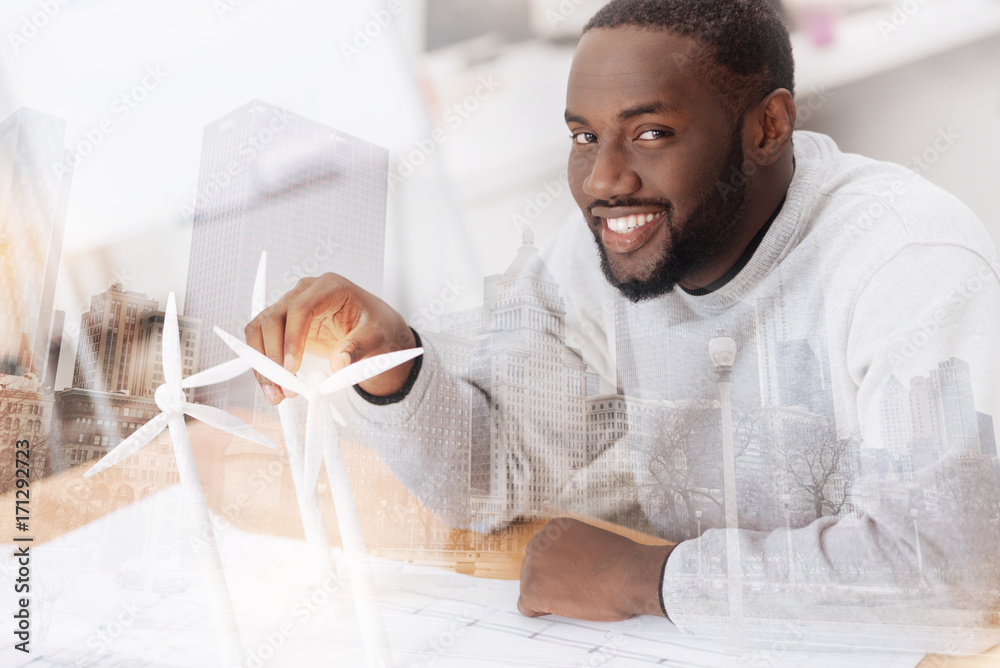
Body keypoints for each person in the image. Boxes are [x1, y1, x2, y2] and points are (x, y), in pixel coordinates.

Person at [246, 0, 1000, 653]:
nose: (603, 181)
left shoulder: (907, 259)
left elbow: (950, 575)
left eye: (650, 135)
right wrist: (393, 359)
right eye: (584, 138)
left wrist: (648, 579)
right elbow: (487, 480)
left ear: (768, 127)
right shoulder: (594, 255)